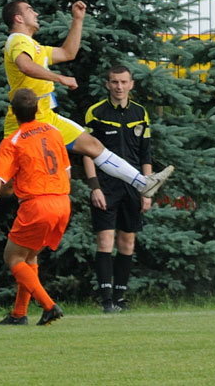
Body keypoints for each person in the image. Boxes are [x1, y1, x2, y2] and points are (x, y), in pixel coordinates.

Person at [0, 0, 173, 231]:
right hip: (25, 124)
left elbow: (67, 52)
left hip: (47, 119)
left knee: (92, 145)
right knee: (7, 187)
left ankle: (142, 183)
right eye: (30, 9)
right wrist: (60, 79)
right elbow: (25, 66)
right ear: (18, 18)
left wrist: (78, 20)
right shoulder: (17, 41)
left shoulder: (34, 46)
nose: (36, 12)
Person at [0, 88, 70, 326]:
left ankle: (49, 306)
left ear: (12, 112)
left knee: (13, 257)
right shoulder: (54, 132)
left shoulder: (12, 142)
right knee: (29, 256)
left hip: (37, 204)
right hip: (62, 201)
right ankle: (18, 314)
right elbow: (66, 169)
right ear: (37, 109)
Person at [83, 66, 153, 313]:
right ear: (107, 84)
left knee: (127, 242)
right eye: (114, 82)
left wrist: (147, 189)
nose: (119, 87)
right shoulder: (96, 112)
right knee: (105, 240)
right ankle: (106, 301)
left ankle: (121, 299)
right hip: (106, 186)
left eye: (123, 82)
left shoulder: (140, 113)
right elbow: (87, 152)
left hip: (133, 186)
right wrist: (95, 187)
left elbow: (145, 154)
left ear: (131, 84)